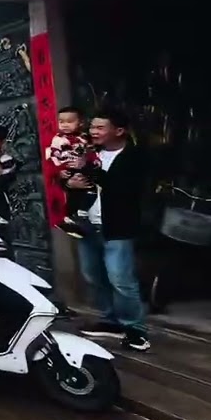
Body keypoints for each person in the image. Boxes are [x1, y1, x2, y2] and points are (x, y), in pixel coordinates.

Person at [73, 110, 150, 351]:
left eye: (100, 128)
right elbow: (70, 181)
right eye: (92, 127)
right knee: (93, 276)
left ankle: (135, 329)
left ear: (119, 131)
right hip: (87, 225)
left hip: (118, 227)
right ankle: (110, 320)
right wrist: (70, 181)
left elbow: (123, 190)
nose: (93, 132)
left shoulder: (134, 157)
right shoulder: (88, 153)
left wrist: (90, 170)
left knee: (121, 279)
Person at [47, 106, 100, 239]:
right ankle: (71, 216)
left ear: (80, 123)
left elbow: (91, 152)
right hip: (67, 169)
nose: (65, 125)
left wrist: (93, 161)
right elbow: (52, 157)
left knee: (89, 190)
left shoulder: (85, 138)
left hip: (83, 168)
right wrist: (59, 171)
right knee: (74, 193)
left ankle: (77, 215)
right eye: (61, 121)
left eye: (69, 121)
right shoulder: (58, 139)